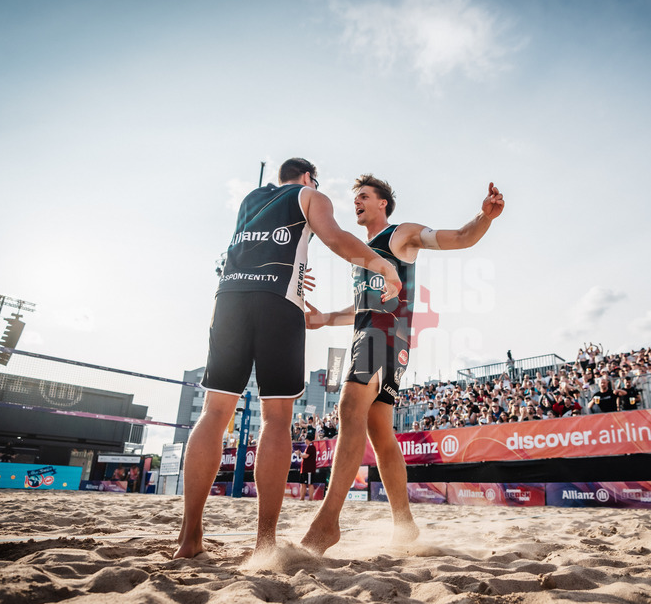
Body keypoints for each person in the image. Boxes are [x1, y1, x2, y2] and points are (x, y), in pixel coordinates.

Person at [174, 158, 402, 559]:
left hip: (228, 301)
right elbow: (334, 238)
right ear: (307, 178)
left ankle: (189, 536)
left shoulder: (249, 200)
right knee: (276, 419)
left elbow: (247, 252)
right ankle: (264, 542)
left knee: (213, 413)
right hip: (278, 303)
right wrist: (380, 263)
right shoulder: (309, 194)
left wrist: (295, 272)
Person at [301, 175, 505, 555]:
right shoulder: (363, 254)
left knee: (349, 409)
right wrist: (326, 318)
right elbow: (363, 306)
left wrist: (485, 216)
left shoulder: (401, 235)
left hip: (385, 336)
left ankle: (327, 522)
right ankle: (405, 525)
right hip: (375, 334)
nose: (356, 202)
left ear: (383, 203)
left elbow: (461, 237)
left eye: (363, 196)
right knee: (379, 430)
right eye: (355, 198)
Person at [295, 431, 319, 501]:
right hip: (305, 468)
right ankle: (302, 498)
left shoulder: (311, 446)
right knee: (302, 484)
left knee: (309, 483)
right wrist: (300, 454)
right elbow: (304, 456)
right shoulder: (308, 447)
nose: (304, 441)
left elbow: (305, 456)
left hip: (309, 469)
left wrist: (299, 454)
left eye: (305, 439)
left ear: (307, 439)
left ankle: (310, 498)